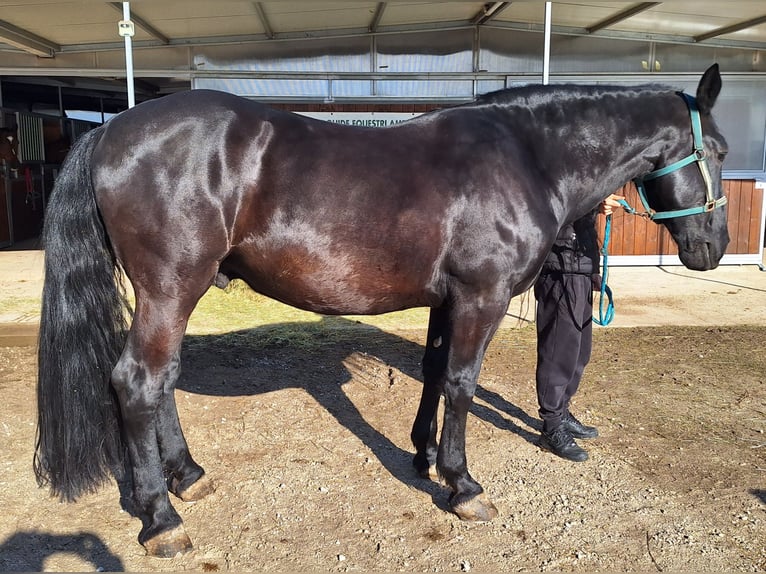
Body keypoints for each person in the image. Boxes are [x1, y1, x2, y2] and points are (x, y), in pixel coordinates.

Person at [535, 193, 624, 462]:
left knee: (579, 353)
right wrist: (597, 202)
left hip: (579, 267)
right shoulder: (556, 160)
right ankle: (551, 426)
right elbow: (558, 200)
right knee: (558, 353)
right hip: (560, 267)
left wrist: (593, 268)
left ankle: (561, 411)